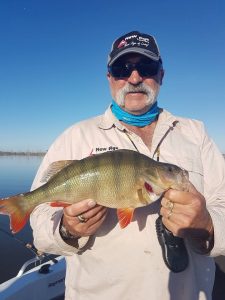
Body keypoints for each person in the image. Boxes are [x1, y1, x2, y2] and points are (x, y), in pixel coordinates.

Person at [30, 31, 225, 300]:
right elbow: (39, 221)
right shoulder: (76, 136)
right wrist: (67, 229)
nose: (134, 78)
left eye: (146, 67)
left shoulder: (195, 133)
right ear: (109, 77)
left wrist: (208, 225)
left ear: (161, 75)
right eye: (122, 69)